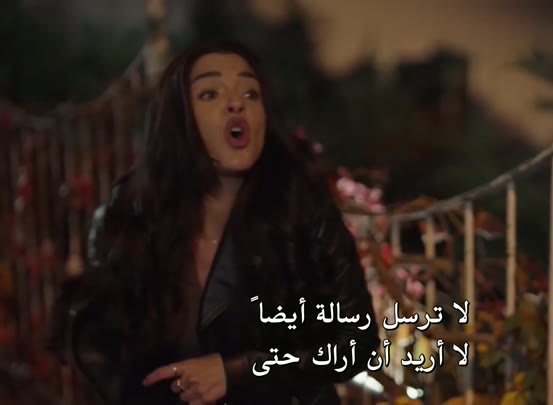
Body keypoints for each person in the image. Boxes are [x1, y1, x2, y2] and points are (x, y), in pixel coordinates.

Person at [46, 40, 380, 405]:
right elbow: (101, 342)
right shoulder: (132, 212)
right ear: (179, 119)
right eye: (210, 93)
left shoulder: (304, 211)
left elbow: (356, 345)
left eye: (250, 93)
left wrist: (238, 371)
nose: (236, 103)